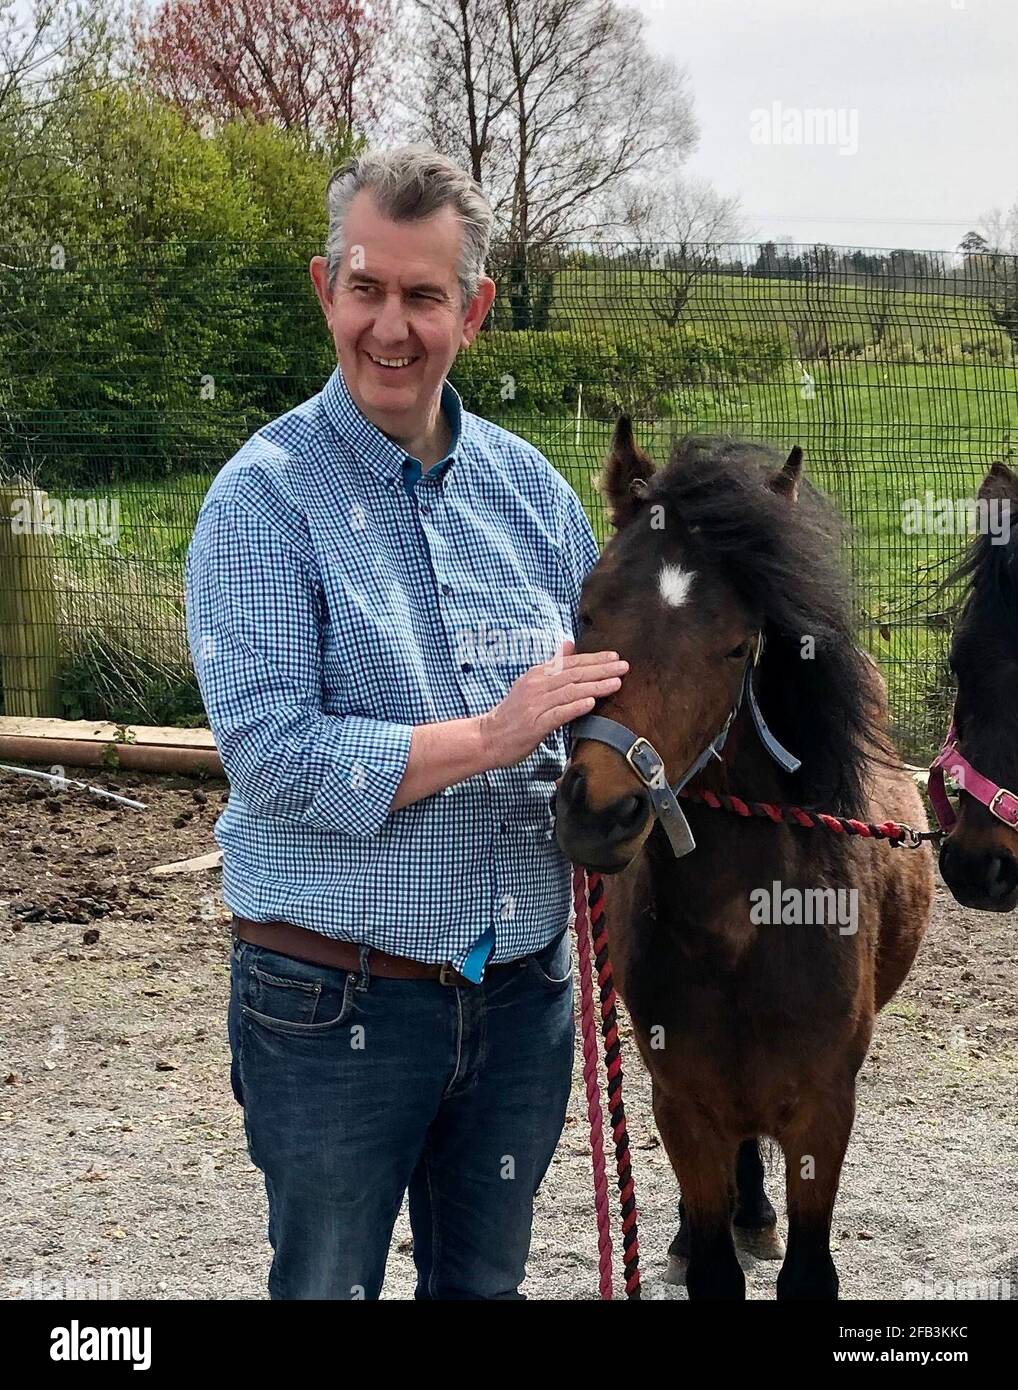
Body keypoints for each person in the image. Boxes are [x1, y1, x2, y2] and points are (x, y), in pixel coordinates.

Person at [184, 146, 627, 1300]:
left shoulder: (533, 495)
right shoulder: (263, 499)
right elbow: (272, 756)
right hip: (333, 999)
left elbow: (601, 717)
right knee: (326, 1283)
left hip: (523, 996)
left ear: (471, 310)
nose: (392, 326)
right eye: (367, 288)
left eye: (423, 296)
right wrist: (489, 735)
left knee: (485, 1288)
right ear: (325, 288)